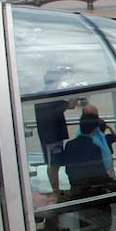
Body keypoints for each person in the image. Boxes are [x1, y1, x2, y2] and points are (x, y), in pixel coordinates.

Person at [63, 112, 116, 231]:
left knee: (86, 225)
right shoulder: (94, 148)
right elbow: (99, 175)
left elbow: (69, 169)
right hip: (93, 192)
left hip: (78, 191)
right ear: (95, 129)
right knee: (101, 221)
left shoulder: (70, 145)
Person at [33, 67, 79, 198]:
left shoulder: (41, 96)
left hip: (49, 136)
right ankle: (56, 191)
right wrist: (76, 92)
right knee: (53, 164)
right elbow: (71, 105)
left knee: (54, 164)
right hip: (52, 137)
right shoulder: (52, 97)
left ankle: (56, 190)